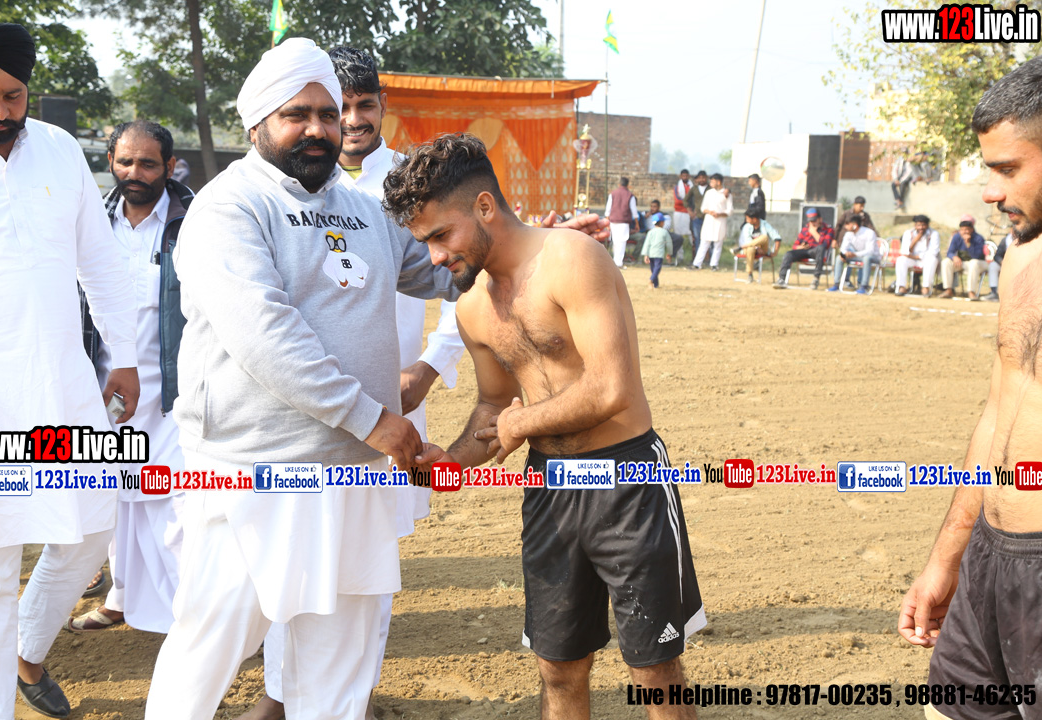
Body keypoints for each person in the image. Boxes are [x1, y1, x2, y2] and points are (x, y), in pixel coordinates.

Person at [143, 38, 462, 720]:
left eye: (326, 113)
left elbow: (445, 269)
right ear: (258, 122)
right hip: (254, 467)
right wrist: (373, 420)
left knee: (340, 664)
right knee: (211, 646)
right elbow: (266, 334)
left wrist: (535, 244)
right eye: (297, 114)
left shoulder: (365, 209)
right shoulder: (229, 207)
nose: (318, 128)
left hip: (353, 471)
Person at [382, 132, 705, 720]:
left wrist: (523, 421)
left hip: (628, 481)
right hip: (550, 488)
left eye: (440, 235)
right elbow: (492, 407)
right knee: (557, 668)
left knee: (655, 670)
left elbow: (611, 387)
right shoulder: (472, 306)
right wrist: (450, 461)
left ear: (484, 207)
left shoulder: (571, 259)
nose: (434, 257)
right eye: (424, 242)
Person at [241, 45, 466, 720]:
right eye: (339, 107)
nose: (352, 119)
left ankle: (351, 694)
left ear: (381, 108)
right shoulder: (277, 190)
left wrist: (430, 367)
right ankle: (281, 693)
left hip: (392, 412)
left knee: (369, 563)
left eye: (364, 105)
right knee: (294, 563)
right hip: (298, 415)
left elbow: (461, 270)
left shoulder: (412, 182)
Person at [0, 19, 141, 720]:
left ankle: (26, 647)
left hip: (62, 382)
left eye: (13, 96)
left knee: (93, 521)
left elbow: (99, 261)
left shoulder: (60, 149)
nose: (0, 112)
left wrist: (124, 354)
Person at [898, 55, 1042, 719]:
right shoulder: (1022, 255)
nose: (989, 191)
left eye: (1007, 169)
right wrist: (948, 558)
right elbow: (998, 411)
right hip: (991, 555)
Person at [68, 120, 194, 634]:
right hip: (105, 391)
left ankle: (201, 616)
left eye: (147, 163)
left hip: (176, 392)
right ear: (110, 162)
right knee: (116, 501)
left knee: (181, 509)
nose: (134, 173)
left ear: (169, 166)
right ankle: (121, 598)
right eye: (125, 162)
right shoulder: (89, 221)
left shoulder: (195, 221)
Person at [772, 208, 834, 290]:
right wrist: (801, 247)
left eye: (814, 220)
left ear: (820, 219)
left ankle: (816, 279)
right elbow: (795, 246)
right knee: (789, 254)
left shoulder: (828, 229)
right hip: (804, 251)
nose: (812, 223)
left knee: (820, 248)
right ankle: (781, 279)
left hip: (816, 252)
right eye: (810, 221)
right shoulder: (805, 229)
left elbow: (826, 245)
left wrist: (814, 232)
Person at [938, 215, 987, 300]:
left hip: (979, 264)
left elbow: (977, 256)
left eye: (967, 229)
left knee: (973, 263)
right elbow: (950, 252)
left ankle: (971, 292)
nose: (964, 232)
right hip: (962, 263)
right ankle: (948, 290)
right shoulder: (956, 237)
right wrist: (954, 257)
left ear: (972, 229)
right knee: (946, 262)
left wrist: (968, 243)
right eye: (962, 230)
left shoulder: (978, 238)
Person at [828, 215, 880, 294]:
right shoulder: (848, 234)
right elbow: (843, 248)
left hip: (873, 257)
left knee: (866, 258)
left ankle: (864, 286)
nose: (845, 226)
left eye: (847, 224)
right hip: (857, 256)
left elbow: (870, 251)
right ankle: (836, 284)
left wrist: (854, 254)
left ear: (855, 225)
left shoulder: (869, 233)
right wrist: (845, 254)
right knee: (839, 258)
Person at [690, 173, 732, 271]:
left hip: (720, 221)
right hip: (709, 220)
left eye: (712, 181)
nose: (710, 183)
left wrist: (719, 214)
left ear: (718, 182)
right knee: (704, 242)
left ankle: (714, 264)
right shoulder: (709, 193)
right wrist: (710, 212)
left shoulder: (726, 194)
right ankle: (697, 264)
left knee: (718, 243)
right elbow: (703, 208)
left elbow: (730, 210)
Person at [893, 214, 941, 297]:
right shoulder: (908, 233)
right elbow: (905, 252)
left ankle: (926, 287)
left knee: (932, 259)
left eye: (923, 225)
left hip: (926, 260)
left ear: (927, 225)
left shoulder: (934, 234)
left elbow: (933, 252)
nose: (921, 227)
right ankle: (901, 287)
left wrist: (918, 256)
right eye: (919, 225)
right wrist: (915, 240)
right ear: (915, 225)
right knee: (901, 260)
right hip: (912, 260)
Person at [731, 207, 781, 283]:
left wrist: (775, 252)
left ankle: (740, 248)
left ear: (754, 219)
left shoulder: (765, 224)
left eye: (747, 218)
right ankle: (750, 274)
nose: (746, 220)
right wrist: (756, 247)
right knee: (750, 249)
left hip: (763, 249)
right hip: (750, 249)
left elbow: (777, 237)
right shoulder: (746, 227)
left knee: (764, 237)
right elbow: (748, 241)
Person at [604, 176, 638, 268]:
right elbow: (634, 211)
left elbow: (608, 210)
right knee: (622, 242)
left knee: (615, 241)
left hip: (613, 221)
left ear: (619, 184)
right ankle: (618, 262)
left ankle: (615, 261)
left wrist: (607, 222)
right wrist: (637, 223)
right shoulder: (630, 195)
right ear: (627, 185)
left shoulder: (613, 194)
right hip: (624, 222)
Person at [641, 212, 672, 288]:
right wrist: (669, 253)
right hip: (659, 254)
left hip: (651, 254)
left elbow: (647, 243)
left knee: (653, 269)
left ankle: (656, 285)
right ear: (661, 222)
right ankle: (651, 280)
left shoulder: (650, 232)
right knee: (657, 269)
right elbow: (669, 244)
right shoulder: (664, 232)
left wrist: (646, 254)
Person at [684, 170, 709, 258]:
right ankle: (699, 259)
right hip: (697, 217)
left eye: (703, 178)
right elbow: (685, 200)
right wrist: (689, 211)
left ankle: (709, 259)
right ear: (697, 179)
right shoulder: (694, 189)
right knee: (697, 238)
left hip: (708, 217)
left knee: (709, 238)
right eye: (700, 178)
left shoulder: (710, 189)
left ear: (706, 178)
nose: (702, 180)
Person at [671, 168, 692, 260]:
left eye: (686, 176)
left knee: (691, 234)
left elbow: (693, 200)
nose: (685, 177)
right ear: (680, 176)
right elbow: (678, 200)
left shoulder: (691, 187)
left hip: (689, 213)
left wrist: (687, 202)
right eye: (683, 176)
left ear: (689, 176)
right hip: (679, 213)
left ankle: (694, 256)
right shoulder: (677, 187)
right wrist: (688, 201)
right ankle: (679, 256)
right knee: (678, 235)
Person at [983, 232, 1010, 302]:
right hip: (1004, 264)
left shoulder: (1025, 239)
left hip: (1019, 265)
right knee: (993, 265)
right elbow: (997, 256)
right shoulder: (1006, 240)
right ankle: (994, 292)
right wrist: (1001, 262)